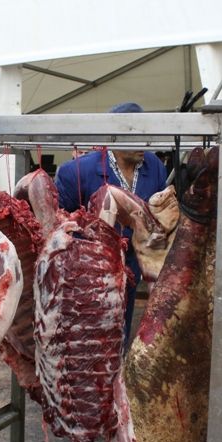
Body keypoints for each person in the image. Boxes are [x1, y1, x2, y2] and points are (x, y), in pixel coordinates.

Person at [54, 102, 168, 345]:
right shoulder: (76, 172)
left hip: (131, 265)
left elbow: (157, 212)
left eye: (145, 136)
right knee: (88, 335)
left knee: (121, 328)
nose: (144, 144)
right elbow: (59, 222)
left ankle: (118, 359)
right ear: (114, 137)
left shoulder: (155, 166)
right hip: (90, 270)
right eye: (137, 137)